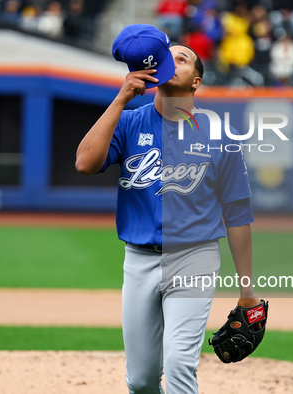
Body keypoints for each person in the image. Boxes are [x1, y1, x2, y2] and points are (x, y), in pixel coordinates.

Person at [75, 24, 260, 394]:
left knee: (178, 365)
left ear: (196, 81)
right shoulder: (129, 122)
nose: (173, 61)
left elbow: (238, 213)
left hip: (195, 257)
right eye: (168, 55)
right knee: (142, 380)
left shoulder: (219, 134)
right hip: (139, 259)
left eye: (183, 58)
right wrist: (121, 98)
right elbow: (85, 162)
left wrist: (247, 289)